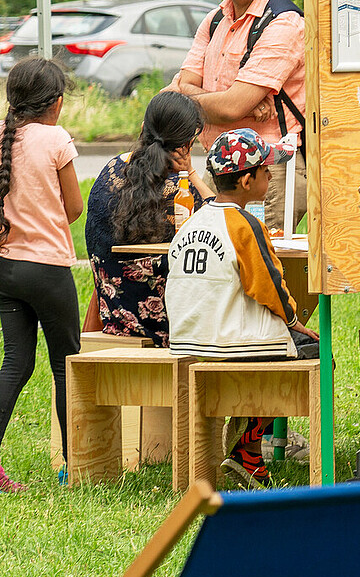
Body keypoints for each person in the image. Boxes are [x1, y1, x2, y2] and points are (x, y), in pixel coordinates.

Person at [165, 128, 319, 487]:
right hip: (229, 342)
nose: (270, 176)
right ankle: (250, 451)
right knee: (312, 348)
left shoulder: (194, 221)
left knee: (276, 341)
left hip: (188, 339)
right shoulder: (245, 224)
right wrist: (294, 320)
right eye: (267, 171)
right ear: (248, 180)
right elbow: (270, 287)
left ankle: (244, 444)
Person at [167, 0, 306, 229]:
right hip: (218, 164)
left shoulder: (283, 23)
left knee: (261, 266)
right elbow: (185, 87)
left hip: (266, 171)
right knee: (218, 262)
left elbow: (228, 106)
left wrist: (188, 93)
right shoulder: (215, 19)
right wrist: (228, 99)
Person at [0, 58, 83, 492]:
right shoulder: (55, 139)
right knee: (65, 364)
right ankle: (74, 466)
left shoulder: (1, 136)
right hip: (47, 270)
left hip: (5, 269)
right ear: (57, 103)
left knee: (15, 363)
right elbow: (73, 207)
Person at [85, 91, 209, 346]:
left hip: (115, 320)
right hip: (169, 329)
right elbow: (226, 221)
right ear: (186, 145)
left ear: (143, 129)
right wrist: (192, 173)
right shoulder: (184, 191)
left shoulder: (108, 173)